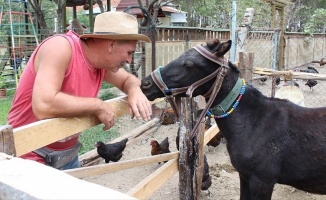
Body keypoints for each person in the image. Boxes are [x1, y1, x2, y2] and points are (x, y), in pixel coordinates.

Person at [7, 11, 152, 170]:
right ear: (111, 44)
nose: (129, 60)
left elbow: (128, 80)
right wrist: (98, 105)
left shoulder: (101, 65)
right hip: (28, 157)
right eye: (129, 52)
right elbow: (43, 105)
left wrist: (134, 90)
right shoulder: (60, 47)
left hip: (67, 157)